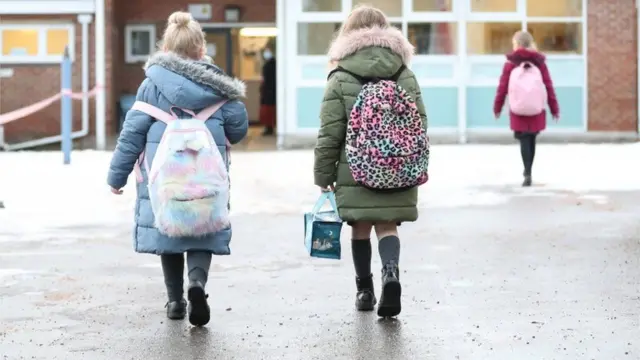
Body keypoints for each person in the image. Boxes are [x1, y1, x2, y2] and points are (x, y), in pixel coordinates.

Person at [107, 11, 248, 326]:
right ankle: (197, 282)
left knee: (168, 231)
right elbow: (238, 131)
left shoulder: (150, 86)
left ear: (166, 49)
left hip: (164, 179)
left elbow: (131, 136)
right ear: (201, 49)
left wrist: (116, 176)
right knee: (205, 227)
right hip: (206, 177)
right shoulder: (221, 87)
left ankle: (174, 301)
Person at [314, 5, 428, 318]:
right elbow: (421, 122)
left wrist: (323, 174)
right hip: (398, 168)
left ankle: (364, 291)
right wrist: (406, 156)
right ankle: (391, 274)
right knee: (388, 224)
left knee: (360, 226)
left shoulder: (340, 77)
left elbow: (329, 133)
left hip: (355, 169)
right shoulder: (404, 74)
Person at [493, 30, 559, 187]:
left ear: (516, 44)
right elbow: (548, 86)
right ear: (531, 44)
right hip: (536, 108)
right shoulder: (539, 62)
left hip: (518, 108)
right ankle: (529, 170)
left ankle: (526, 172)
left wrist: (498, 107)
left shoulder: (510, 64)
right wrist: (554, 108)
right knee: (532, 139)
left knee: (523, 139)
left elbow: (502, 88)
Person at [259, 38, 277, 136]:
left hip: (269, 92)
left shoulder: (271, 65)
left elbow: (267, 79)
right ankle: (269, 127)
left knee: (269, 110)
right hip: (269, 91)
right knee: (268, 110)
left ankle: (269, 127)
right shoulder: (271, 64)